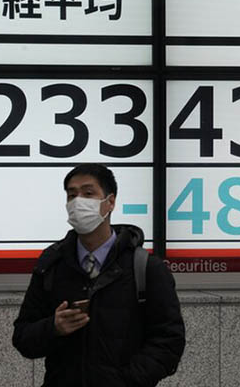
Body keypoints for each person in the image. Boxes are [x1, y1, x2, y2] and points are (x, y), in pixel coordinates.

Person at [13, 163, 185, 387]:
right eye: (71, 195)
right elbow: (22, 337)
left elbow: (169, 341)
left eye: (88, 193)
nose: (78, 202)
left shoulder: (145, 267)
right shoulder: (52, 264)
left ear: (110, 202)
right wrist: (52, 327)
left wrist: (128, 381)